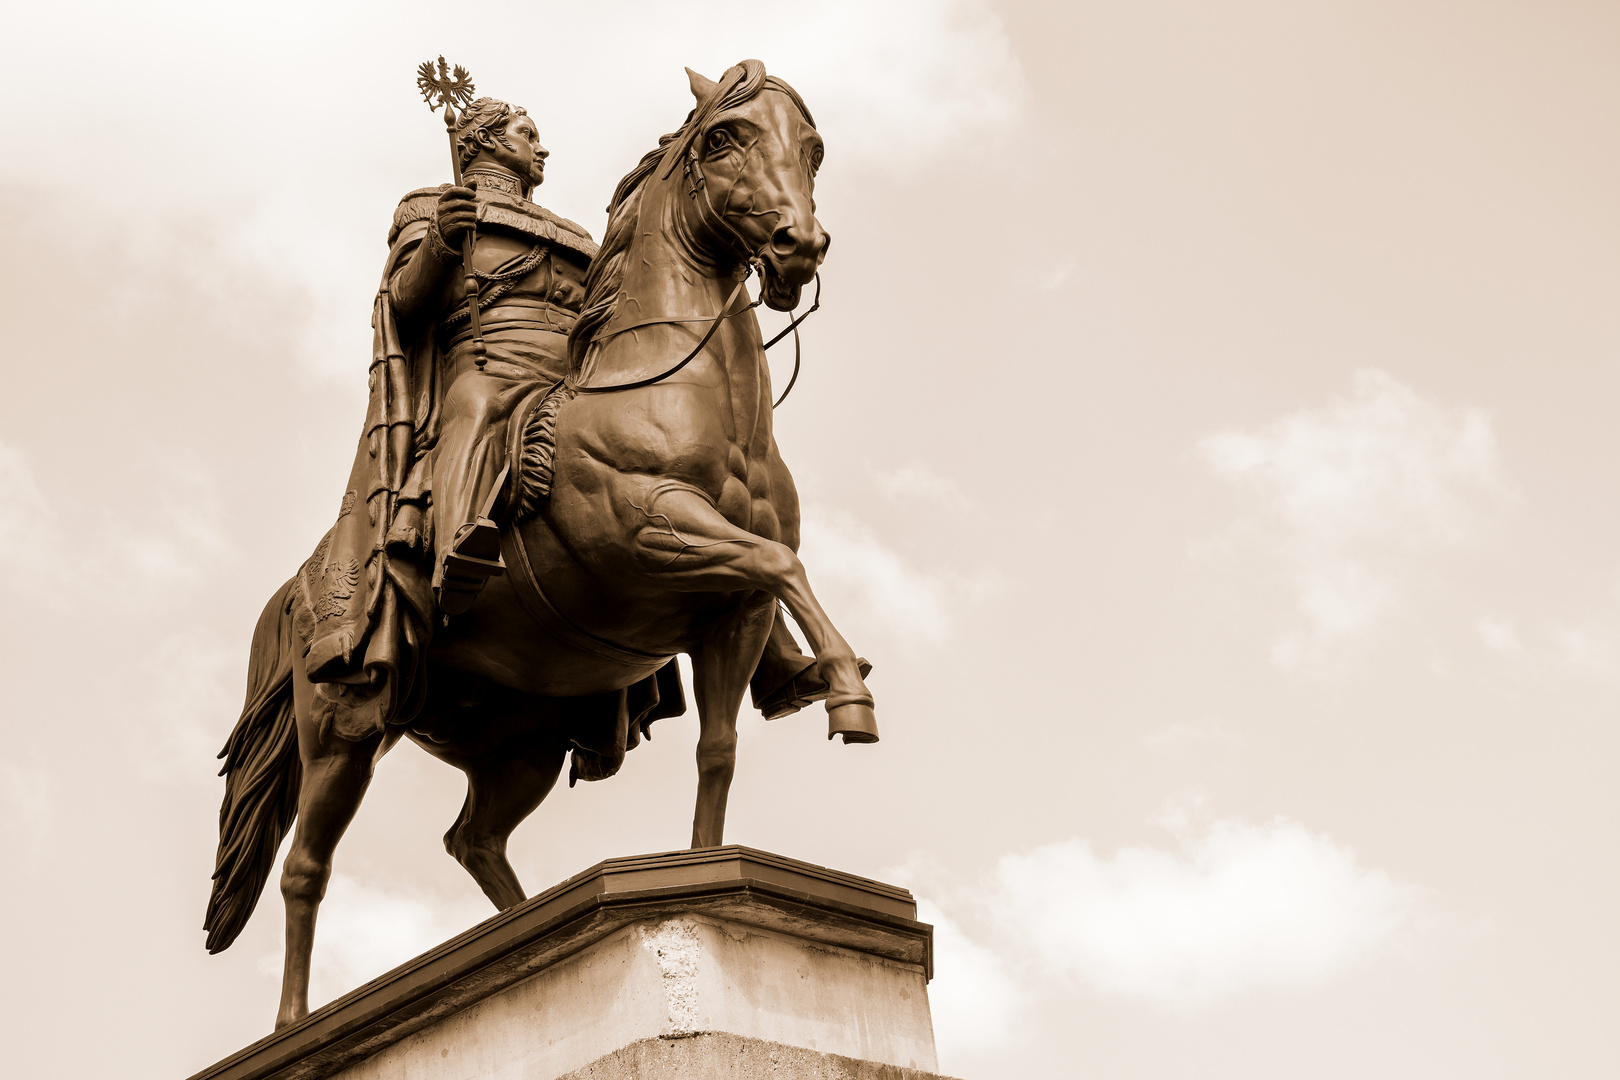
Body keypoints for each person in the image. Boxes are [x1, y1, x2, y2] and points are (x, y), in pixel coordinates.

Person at [288, 96, 836, 739]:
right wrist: (439, 241)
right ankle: (458, 545)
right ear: (484, 142)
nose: (540, 148)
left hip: (576, 375)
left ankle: (768, 654)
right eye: (527, 134)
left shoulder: (575, 234)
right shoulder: (432, 207)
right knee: (476, 403)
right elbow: (405, 307)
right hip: (488, 364)